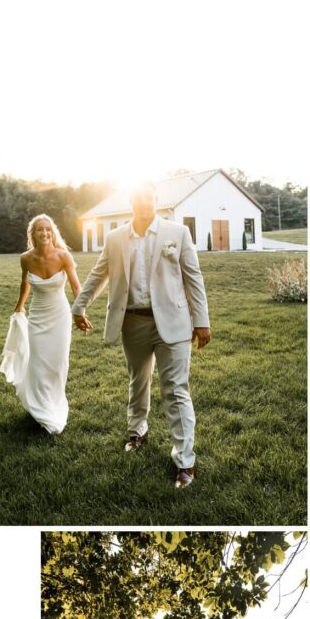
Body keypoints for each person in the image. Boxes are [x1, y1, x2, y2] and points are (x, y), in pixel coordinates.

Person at [70, 182, 210, 488]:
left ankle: (185, 462)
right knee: (137, 380)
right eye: (138, 198)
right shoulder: (115, 237)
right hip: (132, 322)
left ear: (156, 201)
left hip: (173, 322)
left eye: (149, 198)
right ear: (132, 201)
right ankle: (137, 432)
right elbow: (98, 274)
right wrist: (78, 307)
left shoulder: (177, 233)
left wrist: (202, 321)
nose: (144, 203)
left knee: (175, 389)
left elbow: (193, 278)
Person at [0, 214, 83, 434]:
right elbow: (25, 283)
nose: (44, 233)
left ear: (52, 232)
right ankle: (40, 407)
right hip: (37, 317)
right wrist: (19, 306)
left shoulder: (64, 256)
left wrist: (80, 311)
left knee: (58, 363)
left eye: (48, 229)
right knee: (38, 362)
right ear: (33, 234)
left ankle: (54, 403)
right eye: (40, 230)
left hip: (60, 315)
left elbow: (76, 286)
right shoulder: (26, 258)